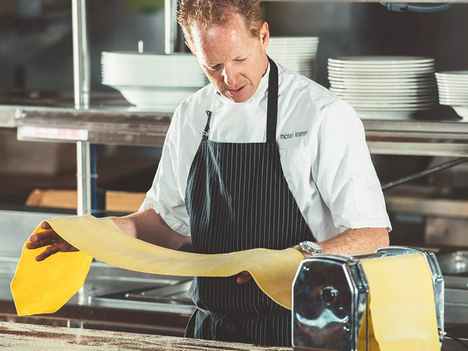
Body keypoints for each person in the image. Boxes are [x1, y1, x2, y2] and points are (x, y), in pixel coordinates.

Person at [27, 0, 391, 346]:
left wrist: (291, 259)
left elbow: (371, 236)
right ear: (192, 49)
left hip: (303, 327)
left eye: (239, 59)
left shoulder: (322, 115)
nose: (229, 78)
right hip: (212, 328)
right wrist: (95, 235)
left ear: (263, 37)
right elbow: (166, 225)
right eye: (213, 66)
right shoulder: (191, 114)